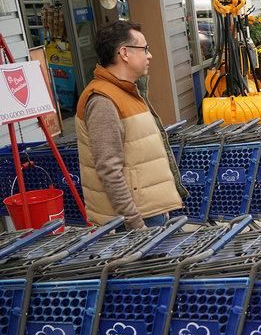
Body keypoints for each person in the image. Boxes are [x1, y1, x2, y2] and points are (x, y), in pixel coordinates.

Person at [75, 20, 185, 230]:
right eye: (144, 49)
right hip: (136, 221)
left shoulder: (126, 92)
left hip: (148, 212)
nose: (149, 55)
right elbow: (109, 169)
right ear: (124, 53)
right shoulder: (103, 101)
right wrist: (135, 223)